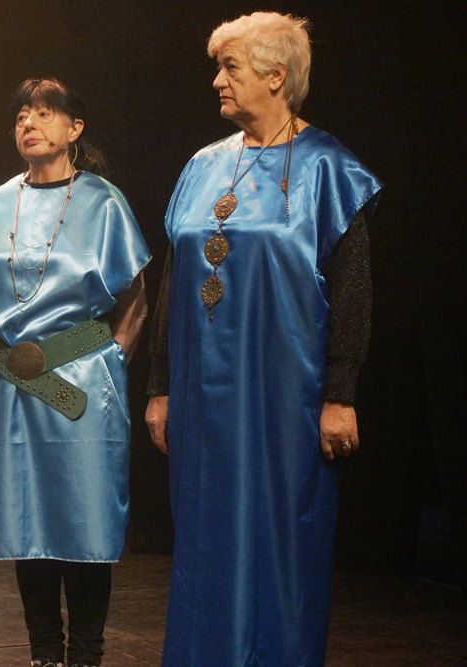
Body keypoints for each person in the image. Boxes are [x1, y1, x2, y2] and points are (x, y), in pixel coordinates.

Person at [144, 12, 383, 666]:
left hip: (285, 400)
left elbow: (353, 293)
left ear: (277, 76)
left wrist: (341, 393)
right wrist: (160, 386)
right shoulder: (202, 166)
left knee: (281, 545)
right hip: (202, 399)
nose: (217, 81)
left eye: (231, 67)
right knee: (205, 540)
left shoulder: (330, 169)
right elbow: (174, 279)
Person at [0, 78, 151, 667]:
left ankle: (86, 653)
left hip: (80, 384)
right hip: (8, 385)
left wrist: (108, 362)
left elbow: (135, 298)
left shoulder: (102, 202)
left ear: (74, 128)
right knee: (24, 520)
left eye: (44, 113)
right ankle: (43, 652)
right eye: (21, 116)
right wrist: (13, 354)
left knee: (85, 520)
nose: (29, 124)